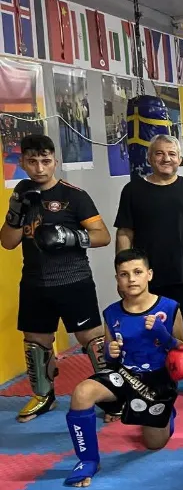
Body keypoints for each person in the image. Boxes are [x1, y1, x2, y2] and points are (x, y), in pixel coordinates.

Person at [1, 134, 112, 422]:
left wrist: (70, 236)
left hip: (74, 280)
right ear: (22, 162)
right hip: (34, 282)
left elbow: (103, 236)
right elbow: (8, 243)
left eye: (45, 161)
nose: (39, 168)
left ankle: (111, 396)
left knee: (92, 340)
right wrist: (16, 212)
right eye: (33, 161)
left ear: (55, 161)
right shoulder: (22, 196)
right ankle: (43, 397)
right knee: (36, 342)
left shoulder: (74, 196)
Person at [63, 249, 183, 487]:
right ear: (117, 279)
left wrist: (161, 334)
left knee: (154, 444)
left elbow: (182, 349)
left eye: (137, 272)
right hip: (123, 375)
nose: (131, 279)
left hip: (157, 379)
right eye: (124, 274)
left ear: (149, 274)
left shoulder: (169, 307)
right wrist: (110, 351)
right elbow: (109, 357)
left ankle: (167, 414)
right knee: (82, 393)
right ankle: (88, 460)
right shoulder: (112, 312)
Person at [115, 134, 183, 323]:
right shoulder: (132, 191)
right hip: (149, 280)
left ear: (179, 159)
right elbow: (124, 233)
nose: (166, 159)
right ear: (149, 158)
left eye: (172, 154)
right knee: (152, 333)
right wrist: (124, 275)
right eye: (159, 153)